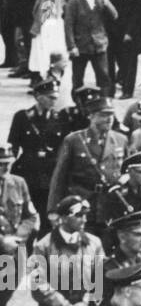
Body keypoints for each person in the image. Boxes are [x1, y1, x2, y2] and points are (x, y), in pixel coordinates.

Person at [46, 96, 127, 240]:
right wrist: (53, 210)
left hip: (110, 206)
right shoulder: (73, 140)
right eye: (103, 115)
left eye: (111, 115)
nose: (109, 119)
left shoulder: (121, 140)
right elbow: (59, 177)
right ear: (91, 116)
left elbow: (127, 171)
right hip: (82, 205)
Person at [8, 79, 64, 239]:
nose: (54, 101)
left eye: (55, 97)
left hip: (50, 174)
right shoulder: (22, 117)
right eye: (50, 97)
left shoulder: (60, 118)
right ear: (38, 96)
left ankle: (42, 254)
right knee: (24, 216)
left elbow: (63, 148)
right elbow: (13, 146)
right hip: (27, 173)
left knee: (48, 217)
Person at [0, 145, 39, 306]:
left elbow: (31, 215)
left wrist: (17, 238)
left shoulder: (19, 182)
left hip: (12, 255)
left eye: (8, 163)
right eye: (1, 164)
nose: (5, 168)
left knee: (2, 301)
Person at [63, 0, 118, 93]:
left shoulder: (101, 0)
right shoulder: (75, 1)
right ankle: (78, 103)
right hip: (80, 46)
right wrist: (71, 46)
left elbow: (114, 15)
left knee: (103, 77)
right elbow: (68, 25)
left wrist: (106, 0)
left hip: (99, 45)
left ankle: (104, 102)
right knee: (77, 78)